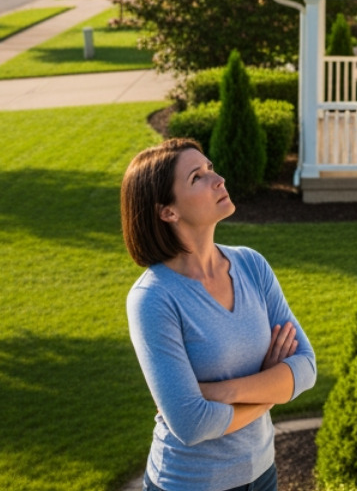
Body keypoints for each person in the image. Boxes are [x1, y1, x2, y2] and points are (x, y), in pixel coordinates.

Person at [122, 138, 317, 491]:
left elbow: (305, 367)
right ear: (168, 211)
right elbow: (191, 424)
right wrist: (272, 386)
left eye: (210, 168)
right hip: (190, 483)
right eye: (197, 177)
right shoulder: (153, 298)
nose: (219, 179)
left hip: (262, 472)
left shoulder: (251, 265)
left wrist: (223, 392)